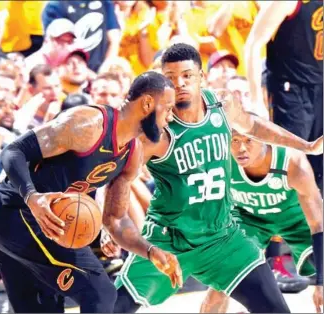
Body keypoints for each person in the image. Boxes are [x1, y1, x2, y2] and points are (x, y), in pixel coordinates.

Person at [101, 43, 323, 313]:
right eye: (170, 78)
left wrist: (305, 145)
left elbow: (252, 125)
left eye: (187, 75)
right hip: (169, 242)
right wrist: (107, 225)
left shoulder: (222, 103)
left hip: (222, 238)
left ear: (201, 77)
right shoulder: (154, 133)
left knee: (275, 310)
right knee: (114, 309)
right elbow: (116, 178)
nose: (180, 83)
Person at [0, 71, 181, 313]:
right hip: (16, 212)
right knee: (100, 292)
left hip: (41, 224)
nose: (170, 117)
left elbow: (115, 221)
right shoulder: (88, 124)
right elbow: (13, 152)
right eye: (168, 108)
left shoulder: (132, 154)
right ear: (148, 103)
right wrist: (33, 197)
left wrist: (149, 251)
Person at [201, 111, 323, 313]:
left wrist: (321, 283)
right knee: (219, 286)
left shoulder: (292, 163)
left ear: (265, 139)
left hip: (295, 220)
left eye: (249, 140)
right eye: (235, 141)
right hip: (250, 221)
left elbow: (318, 224)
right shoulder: (220, 161)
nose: (241, 148)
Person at [245, 1, 323, 192]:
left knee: (319, 167)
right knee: (290, 162)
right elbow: (253, 44)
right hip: (289, 89)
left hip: (319, 88)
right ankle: (281, 218)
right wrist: (256, 99)